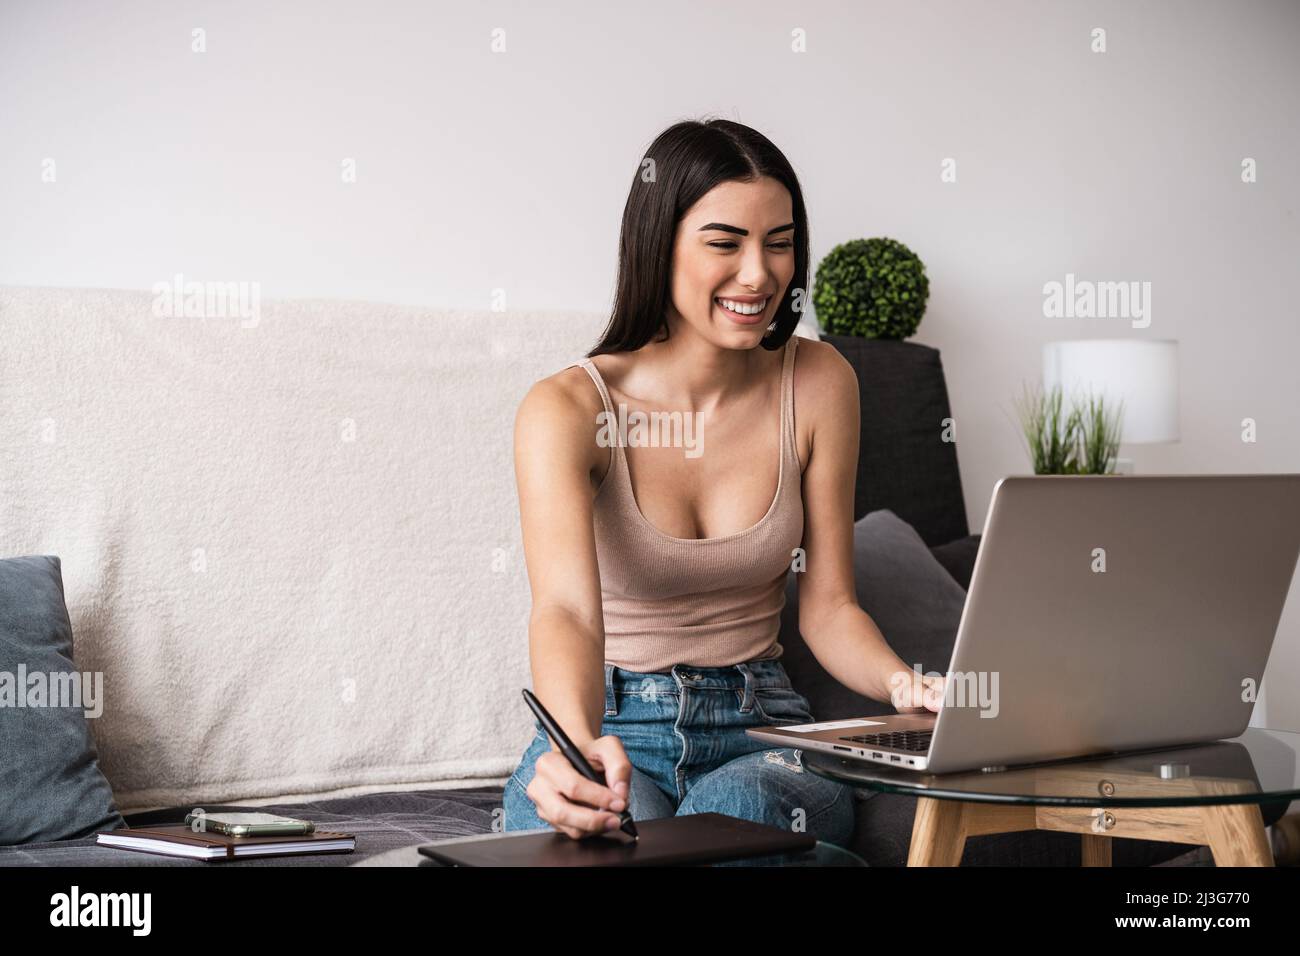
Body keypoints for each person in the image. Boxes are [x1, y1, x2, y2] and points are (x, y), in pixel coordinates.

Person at [505, 118, 945, 845]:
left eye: (779, 243)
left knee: (744, 812)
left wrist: (906, 684)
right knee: (603, 842)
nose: (759, 274)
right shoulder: (567, 409)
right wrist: (574, 745)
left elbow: (830, 606)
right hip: (613, 722)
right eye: (724, 243)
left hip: (762, 726)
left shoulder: (819, 381)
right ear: (658, 243)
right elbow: (567, 614)